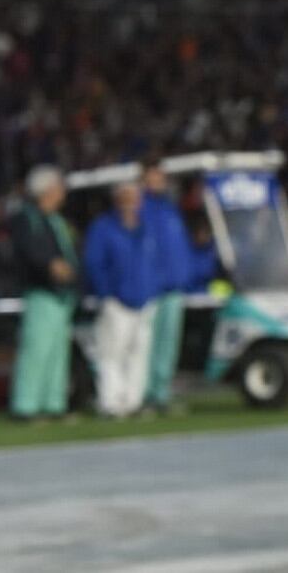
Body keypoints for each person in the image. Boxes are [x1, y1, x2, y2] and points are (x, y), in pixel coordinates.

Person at [82, 180, 159, 419]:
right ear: (117, 200)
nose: (130, 202)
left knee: (139, 354)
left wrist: (154, 289)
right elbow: (94, 263)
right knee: (111, 353)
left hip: (145, 300)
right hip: (117, 301)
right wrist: (107, 293)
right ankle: (111, 403)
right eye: (125, 197)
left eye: (134, 197)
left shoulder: (146, 228)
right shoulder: (104, 228)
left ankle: (132, 401)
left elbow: (157, 262)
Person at [8, 166, 77, 422]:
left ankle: (53, 403)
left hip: (61, 295)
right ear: (46, 190)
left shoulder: (54, 220)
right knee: (36, 351)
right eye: (58, 186)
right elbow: (27, 249)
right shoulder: (27, 217)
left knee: (57, 353)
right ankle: (25, 406)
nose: (62, 192)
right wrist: (50, 264)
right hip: (41, 292)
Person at [140, 162, 189, 415]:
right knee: (149, 344)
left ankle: (161, 393)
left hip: (174, 288)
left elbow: (180, 249)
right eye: (152, 178)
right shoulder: (141, 210)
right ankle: (146, 394)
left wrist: (187, 276)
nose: (157, 182)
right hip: (152, 290)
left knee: (168, 345)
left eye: (160, 178)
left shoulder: (170, 209)